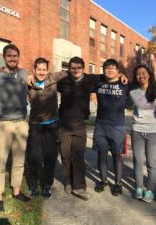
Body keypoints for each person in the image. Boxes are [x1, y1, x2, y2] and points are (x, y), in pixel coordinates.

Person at [0, 44, 30, 213]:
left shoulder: (24, 73)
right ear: (4, 57)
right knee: (0, 161)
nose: (12, 58)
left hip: (22, 123)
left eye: (15, 56)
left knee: (19, 160)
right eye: (9, 56)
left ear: (19, 57)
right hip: (3, 124)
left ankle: (16, 191)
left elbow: (40, 82)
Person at [57, 56, 100, 201]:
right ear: (69, 69)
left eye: (79, 68)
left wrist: (121, 75)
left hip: (80, 123)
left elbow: (107, 75)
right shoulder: (63, 82)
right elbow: (46, 81)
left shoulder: (89, 80)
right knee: (65, 155)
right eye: (73, 68)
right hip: (64, 123)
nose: (76, 70)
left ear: (83, 69)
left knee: (78, 156)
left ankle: (79, 186)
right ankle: (68, 181)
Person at [26, 58, 66, 199]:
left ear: (48, 70)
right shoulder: (28, 83)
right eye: (39, 69)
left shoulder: (53, 78)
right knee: (34, 157)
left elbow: (69, 72)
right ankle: (32, 184)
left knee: (50, 157)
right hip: (36, 125)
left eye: (44, 69)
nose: (41, 72)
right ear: (34, 70)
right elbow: (11, 77)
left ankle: (46, 185)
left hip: (52, 125)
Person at [93, 59, 129, 196]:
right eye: (107, 68)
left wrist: (123, 75)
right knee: (101, 155)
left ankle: (118, 184)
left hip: (117, 126)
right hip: (101, 125)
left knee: (117, 156)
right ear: (103, 70)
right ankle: (103, 181)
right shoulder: (98, 82)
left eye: (113, 68)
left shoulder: (124, 83)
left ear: (118, 71)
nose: (109, 70)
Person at [129, 65, 156, 202]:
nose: (141, 76)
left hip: (153, 130)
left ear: (149, 74)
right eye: (138, 74)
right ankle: (139, 188)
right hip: (137, 130)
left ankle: (150, 190)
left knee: (152, 162)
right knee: (137, 160)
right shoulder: (132, 92)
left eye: (143, 73)